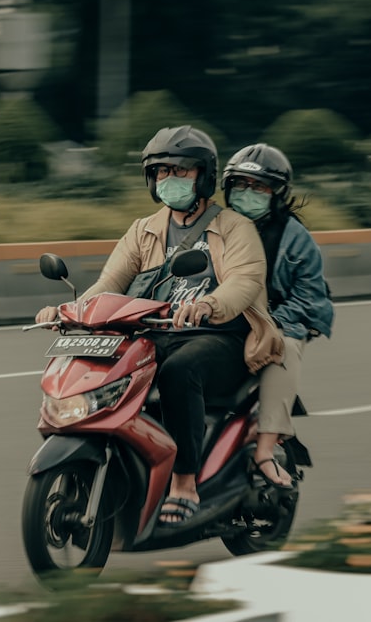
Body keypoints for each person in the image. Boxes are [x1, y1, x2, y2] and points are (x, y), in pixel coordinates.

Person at [35, 126, 284, 527]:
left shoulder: (236, 227)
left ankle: (185, 482)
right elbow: (108, 285)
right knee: (107, 372)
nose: (169, 180)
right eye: (162, 172)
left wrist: (208, 304)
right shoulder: (143, 229)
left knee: (178, 372)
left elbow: (244, 282)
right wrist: (67, 309)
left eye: (180, 171)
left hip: (221, 336)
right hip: (156, 333)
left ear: (203, 176)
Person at [221, 143, 334, 488]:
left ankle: (265, 452)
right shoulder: (211, 227)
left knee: (282, 347)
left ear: (277, 193)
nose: (248, 193)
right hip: (219, 321)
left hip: (276, 323)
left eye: (259, 187)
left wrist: (268, 324)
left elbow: (310, 298)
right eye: (240, 184)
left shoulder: (295, 239)